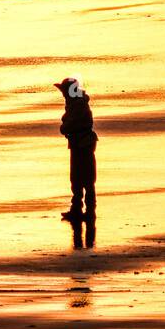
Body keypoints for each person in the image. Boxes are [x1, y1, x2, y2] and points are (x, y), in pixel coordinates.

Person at [56, 78, 98, 223]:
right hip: (79, 143)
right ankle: (79, 210)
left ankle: (87, 211)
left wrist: (64, 127)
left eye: (63, 91)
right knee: (79, 178)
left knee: (83, 178)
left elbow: (70, 124)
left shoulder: (77, 104)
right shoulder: (76, 102)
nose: (62, 94)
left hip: (82, 144)